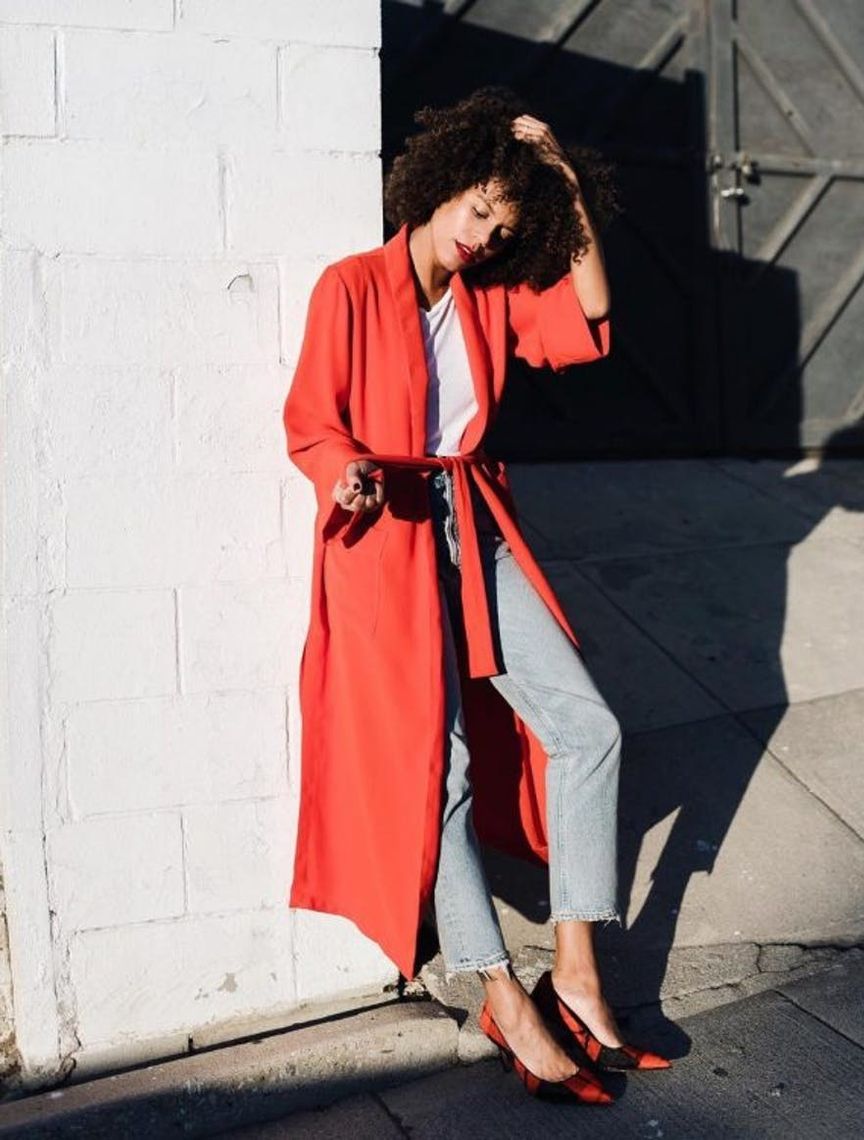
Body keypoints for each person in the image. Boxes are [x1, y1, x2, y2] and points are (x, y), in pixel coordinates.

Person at [283, 86, 669, 1105]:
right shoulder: (350, 286)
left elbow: (589, 312)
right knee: (439, 766)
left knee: (587, 729)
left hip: (474, 524)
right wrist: (344, 473)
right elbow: (311, 421)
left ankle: (575, 971)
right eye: (478, 207)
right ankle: (500, 992)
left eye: (503, 225)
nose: (482, 234)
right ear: (442, 179)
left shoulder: (489, 293)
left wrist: (567, 187)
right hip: (388, 540)